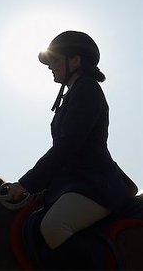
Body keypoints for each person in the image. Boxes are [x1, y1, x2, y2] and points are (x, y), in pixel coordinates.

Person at [7, 31, 138, 269]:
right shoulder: (73, 94)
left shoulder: (87, 89)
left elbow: (67, 145)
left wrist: (27, 183)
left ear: (75, 61)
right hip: (74, 183)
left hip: (94, 183)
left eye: (55, 60)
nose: (51, 67)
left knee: (53, 226)